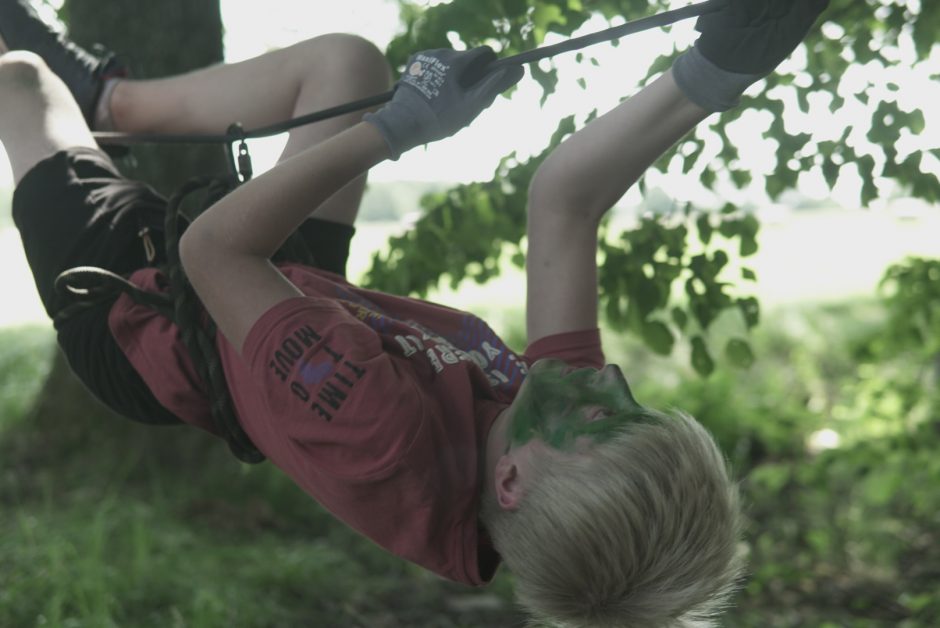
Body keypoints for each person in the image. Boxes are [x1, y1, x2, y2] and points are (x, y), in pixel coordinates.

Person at [0, 0, 829, 625]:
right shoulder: (558, 439)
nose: (604, 384)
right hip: (307, 312)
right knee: (347, 66)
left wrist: (400, 130)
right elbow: (566, 202)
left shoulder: (379, 435)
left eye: (604, 415)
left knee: (24, 84)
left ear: (507, 480)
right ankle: (114, 109)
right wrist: (715, 72)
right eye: (635, 406)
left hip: (155, 315)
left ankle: (69, 109)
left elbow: (212, 254)